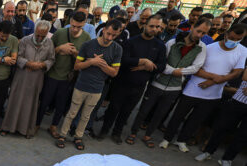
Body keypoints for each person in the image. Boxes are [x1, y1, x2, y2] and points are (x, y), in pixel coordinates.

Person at [160, 24, 246, 152]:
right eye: (232, 38)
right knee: (178, 115)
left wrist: (215, 81)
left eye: (237, 40)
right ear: (227, 33)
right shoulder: (209, 48)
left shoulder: (243, 51)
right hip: (193, 89)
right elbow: (195, 68)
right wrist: (214, 78)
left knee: (196, 120)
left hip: (214, 94)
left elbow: (237, 72)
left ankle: (182, 140)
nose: (233, 42)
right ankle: (167, 138)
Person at [127, 19, 209, 148]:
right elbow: (161, 61)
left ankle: (148, 135)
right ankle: (133, 132)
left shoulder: (202, 48)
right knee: (144, 110)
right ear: (192, 27)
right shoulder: (172, 42)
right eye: (198, 31)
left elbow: (196, 67)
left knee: (161, 113)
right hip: (157, 82)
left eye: (203, 33)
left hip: (175, 87)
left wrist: (177, 72)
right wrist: (173, 71)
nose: (199, 35)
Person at [98, 14, 166, 143]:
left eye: (157, 27)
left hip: (140, 85)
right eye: (151, 26)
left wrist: (145, 67)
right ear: (145, 25)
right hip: (122, 82)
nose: (154, 29)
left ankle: (117, 133)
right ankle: (104, 131)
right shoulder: (131, 42)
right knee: (114, 108)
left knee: (126, 111)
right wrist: (143, 61)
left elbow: (161, 66)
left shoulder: (160, 45)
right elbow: (123, 60)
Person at [56, 19, 122, 150]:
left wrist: (101, 64)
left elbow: (114, 73)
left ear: (118, 34)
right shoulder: (88, 45)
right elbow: (77, 66)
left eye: (114, 35)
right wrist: (92, 62)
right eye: (108, 33)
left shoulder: (117, 49)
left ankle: (78, 137)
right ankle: (62, 135)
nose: (109, 37)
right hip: (81, 85)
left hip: (97, 89)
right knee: (72, 112)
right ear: (103, 30)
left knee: (86, 115)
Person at [37, 11, 91, 138]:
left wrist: (75, 53)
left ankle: (54, 126)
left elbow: (85, 60)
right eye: (73, 26)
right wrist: (60, 48)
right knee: (44, 102)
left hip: (68, 78)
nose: (75, 29)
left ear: (84, 24)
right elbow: (46, 52)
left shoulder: (87, 38)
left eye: (79, 27)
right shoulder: (60, 33)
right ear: (70, 22)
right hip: (52, 75)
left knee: (61, 104)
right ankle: (37, 124)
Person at [0, 20, 54, 137]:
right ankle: (8, 127)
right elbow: (17, 57)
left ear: (47, 33)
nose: (39, 38)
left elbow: (51, 59)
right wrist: (28, 63)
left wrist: (41, 65)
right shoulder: (25, 40)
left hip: (36, 78)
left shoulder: (49, 43)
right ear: (34, 31)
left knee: (31, 104)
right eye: (38, 34)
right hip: (22, 76)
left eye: (42, 36)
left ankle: (26, 130)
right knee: (15, 101)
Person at [195, 68, 246, 166]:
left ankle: (227, 159)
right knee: (222, 127)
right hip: (238, 101)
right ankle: (208, 152)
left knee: (243, 135)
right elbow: (245, 77)